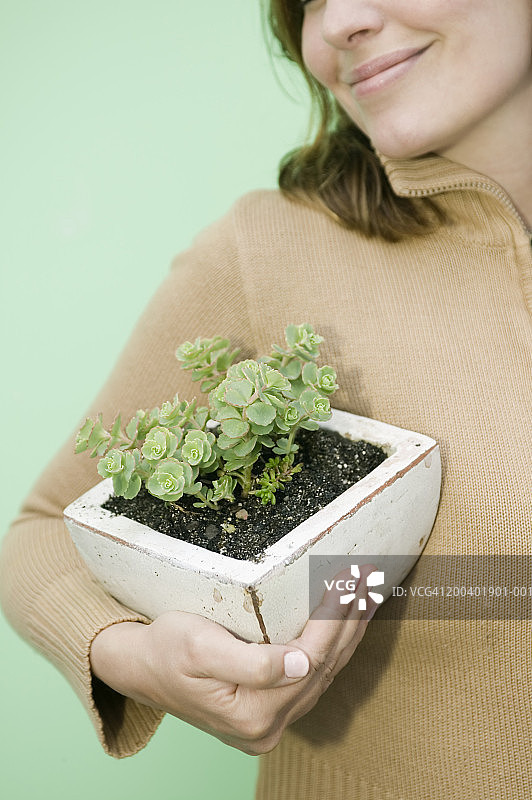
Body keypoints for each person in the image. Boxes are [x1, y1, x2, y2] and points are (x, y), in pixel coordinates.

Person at [1, 0, 531, 797]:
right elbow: (43, 531)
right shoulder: (269, 250)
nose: (339, 22)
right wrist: (133, 653)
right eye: (309, 0)